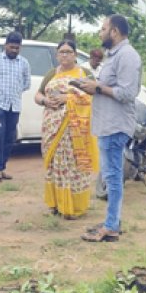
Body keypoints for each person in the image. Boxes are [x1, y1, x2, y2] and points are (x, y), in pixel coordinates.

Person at [76, 15, 141, 242]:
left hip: (116, 125)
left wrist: (99, 87)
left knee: (112, 177)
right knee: (110, 177)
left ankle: (112, 226)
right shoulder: (114, 56)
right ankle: (112, 221)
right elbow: (108, 88)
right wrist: (92, 88)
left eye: (103, 28)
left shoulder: (127, 56)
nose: (100, 32)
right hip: (106, 124)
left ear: (114, 31)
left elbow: (127, 93)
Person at [35, 39, 97, 219]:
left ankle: (74, 208)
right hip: (51, 128)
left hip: (75, 130)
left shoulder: (84, 73)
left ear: (75, 54)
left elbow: (94, 96)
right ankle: (55, 205)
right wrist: (46, 101)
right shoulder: (51, 74)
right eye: (61, 52)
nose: (65, 55)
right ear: (57, 55)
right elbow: (38, 94)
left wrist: (67, 98)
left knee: (74, 167)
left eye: (69, 51)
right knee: (54, 165)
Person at [0, 31, 31, 182]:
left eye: (17, 48)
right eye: (11, 47)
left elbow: (27, 83)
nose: (14, 50)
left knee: (10, 138)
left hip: (15, 105)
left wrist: (15, 91)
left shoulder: (24, 63)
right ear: (5, 45)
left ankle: (3, 167)